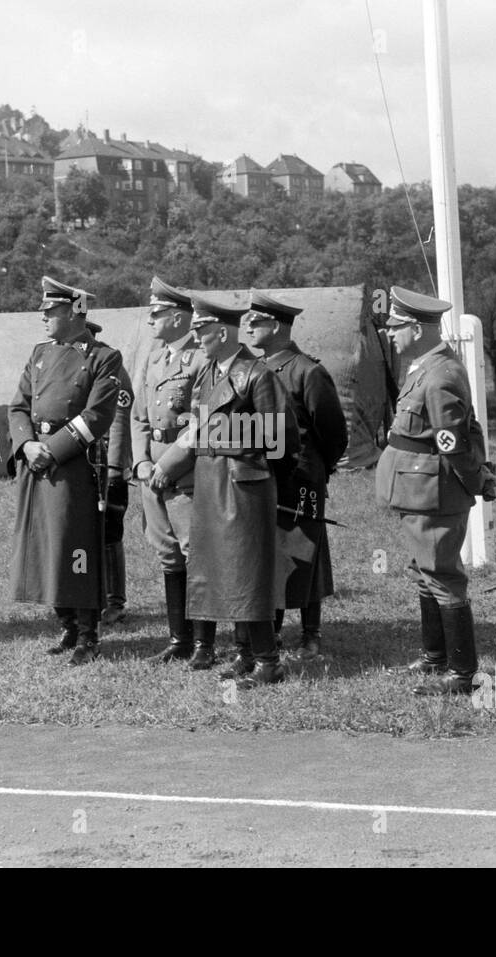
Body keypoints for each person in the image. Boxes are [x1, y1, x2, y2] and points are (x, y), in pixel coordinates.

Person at [153, 293, 299, 689]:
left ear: (222, 331)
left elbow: (280, 437)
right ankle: (246, 654)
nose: (196, 336)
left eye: (202, 330)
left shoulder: (257, 375)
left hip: (244, 485)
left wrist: (216, 437)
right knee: (225, 571)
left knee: (247, 573)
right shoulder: (212, 374)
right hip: (213, 480)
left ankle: (268, 661)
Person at [375, 286, 496, 695]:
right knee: (424, 572)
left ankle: (461, 674)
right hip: (418, 489)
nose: (390, 334)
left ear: (418, 328)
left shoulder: (441, 374)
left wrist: (475, 482)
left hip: (435, 491)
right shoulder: (424, 366)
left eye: (396, 327)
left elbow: (453, 443)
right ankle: (434, 659)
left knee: (442, 575)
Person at [8, 276, 123, 665]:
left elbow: (97, 415)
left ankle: (89, 634)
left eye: (52, 311)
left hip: (72, 466)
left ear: (75, 312)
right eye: (43, 312)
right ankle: (67, 625)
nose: (44, 318)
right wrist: (26, 445)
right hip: (34, 461)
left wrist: (53, 451)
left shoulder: (103, 357)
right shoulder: (39, 353)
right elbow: (18, 406)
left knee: (76, 549)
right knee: (44, 547)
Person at [241, 290, 348, 659]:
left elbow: (333, 432)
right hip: (262, 476)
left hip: (301, 477)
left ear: (276, 326)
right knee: (268, 552)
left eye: (256, 322)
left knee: (305, 551)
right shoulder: (253, 370)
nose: (248, 327)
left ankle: (310, 633)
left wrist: (318, 470)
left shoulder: (308, 371)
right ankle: (270, 630)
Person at [131, 277, 216, 668]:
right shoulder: (153, 357)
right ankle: (178, 639)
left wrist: (167, 466)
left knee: (194, 554)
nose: (152, 320)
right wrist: (143, 462)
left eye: (158, 313)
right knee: (168, 556)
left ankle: (203, 645)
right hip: (152, 471)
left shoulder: (200, 360)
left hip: (185, 472)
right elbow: (137, 416)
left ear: (180, 318)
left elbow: (202, 423)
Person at [85, 318, 133, 626]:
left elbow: (120, 415)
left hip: (105, 463)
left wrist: (114, 466)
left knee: (109, 532)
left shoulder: (109, 362)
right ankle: (88, 596)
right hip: (77, 461)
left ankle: (114, 601)